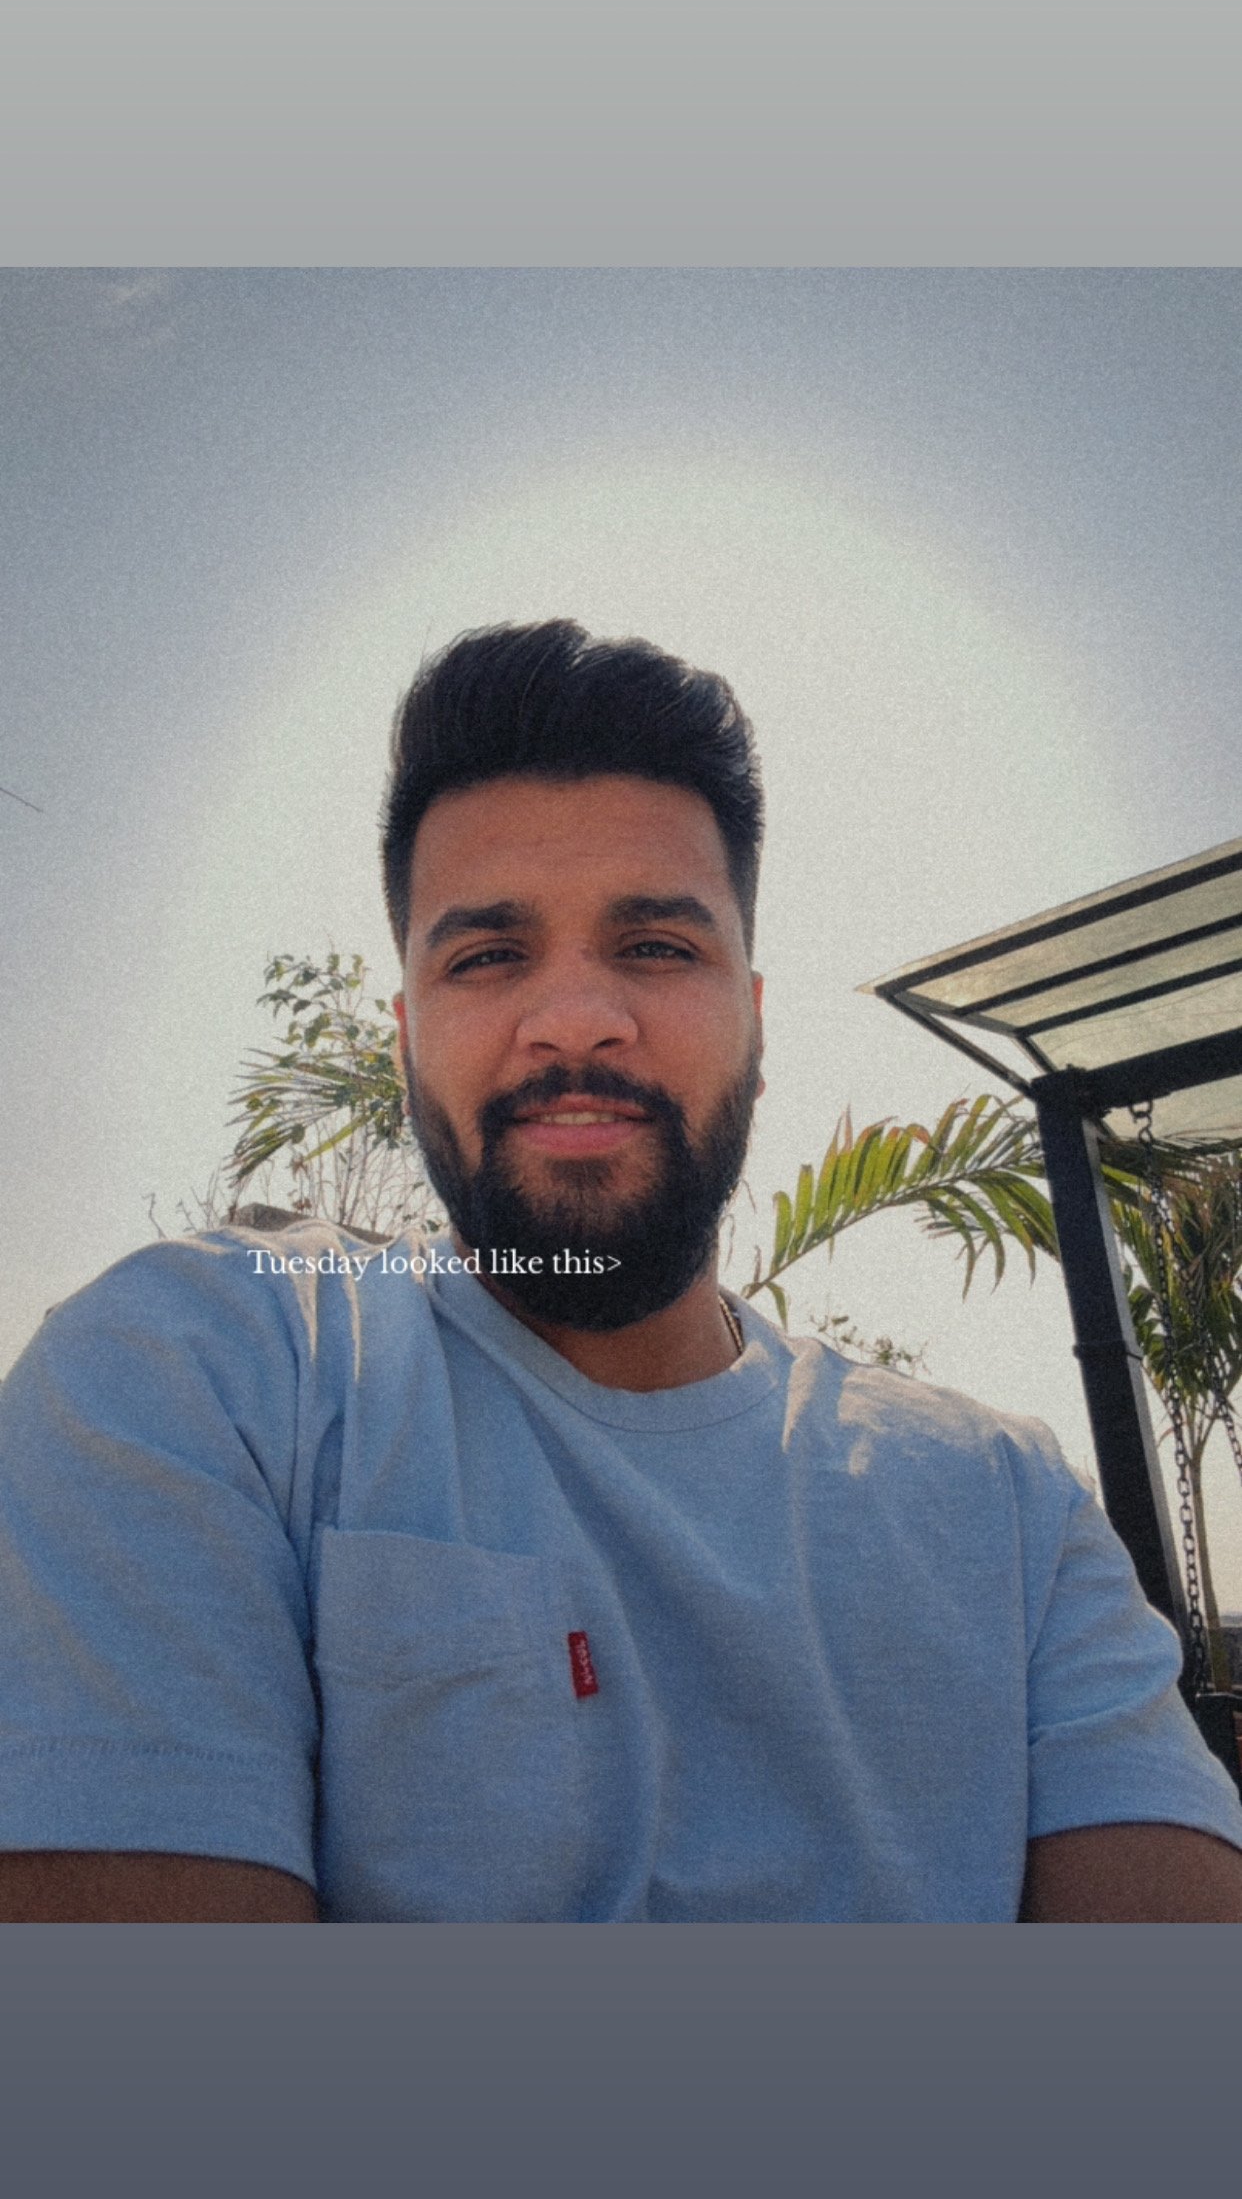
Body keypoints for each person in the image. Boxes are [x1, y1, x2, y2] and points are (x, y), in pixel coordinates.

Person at [3, 620, 1242, 1924]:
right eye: (487, 956)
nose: (576, 1015)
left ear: (753, 1029)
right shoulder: (201, 1374)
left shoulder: (1008, 1513)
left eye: (654, 946)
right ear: (408, 1038)